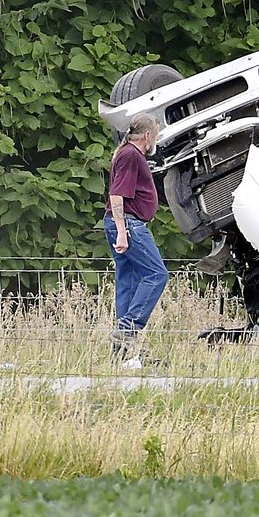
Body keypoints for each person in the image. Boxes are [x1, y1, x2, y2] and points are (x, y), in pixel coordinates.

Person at [104, 113, 169, 362]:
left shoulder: (126, 153)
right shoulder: (131, 155)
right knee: (156, 274)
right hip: (128, 224)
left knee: (128, 282)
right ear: (148, 136)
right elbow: (117, 196)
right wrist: (122, 231)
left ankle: (122, 353)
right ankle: (128, 329)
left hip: (121, 223)